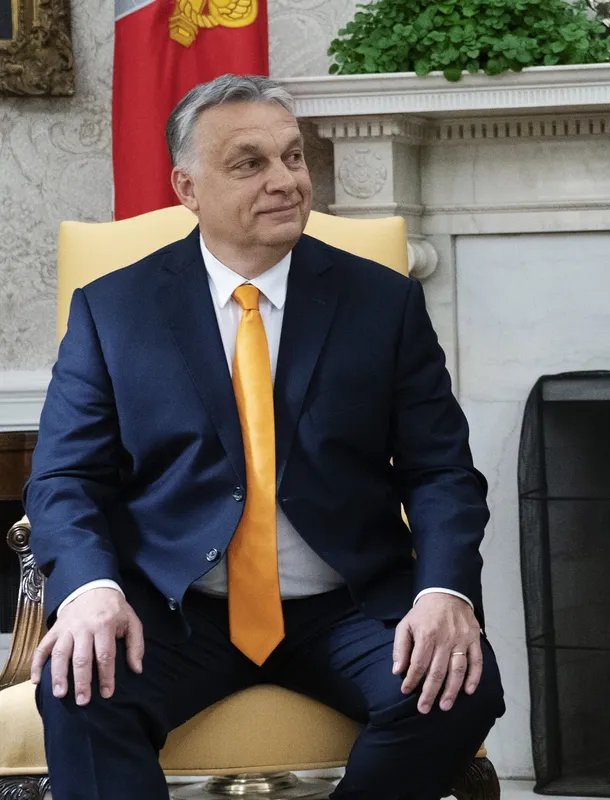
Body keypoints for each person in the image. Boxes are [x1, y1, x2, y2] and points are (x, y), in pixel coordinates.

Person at [25, 74, 503, 800]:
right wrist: (91, 588)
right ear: (187, 188)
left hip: (346, 603)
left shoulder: (384, 303)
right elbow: (65, 478)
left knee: (458, 690)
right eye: (250, 163)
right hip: (175, 606)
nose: (286, 181)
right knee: (80, 690)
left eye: (293, 156)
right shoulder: (114, 310)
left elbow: (441, 471)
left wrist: (443, 591)